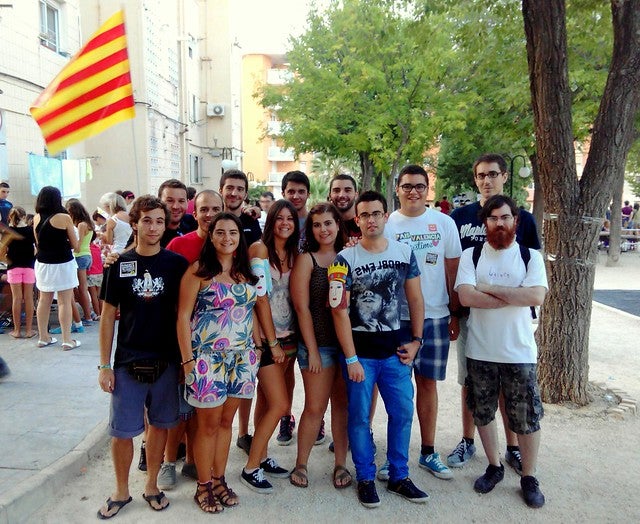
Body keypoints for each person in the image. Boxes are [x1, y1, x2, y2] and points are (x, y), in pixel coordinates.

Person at [330, 190, 428, 508]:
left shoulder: (404, 253)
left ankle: (399, 475)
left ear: (386, 216)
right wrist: (350, 358)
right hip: (361, 355)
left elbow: (415, 298)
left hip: (396, 353)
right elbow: (339, 311)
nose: (371, 220)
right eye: (364, 215)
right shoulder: (344, 259)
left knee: (402, 414)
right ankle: (365, 477)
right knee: (359, 417)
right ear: (357, 220)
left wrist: (417, 341)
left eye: (376, 213)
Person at [97, 195, 189, 519]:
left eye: (159, 221)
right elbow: (107, 316)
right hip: (127, 361)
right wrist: (104, 365)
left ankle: (151, 485)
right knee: (121, 431)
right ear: (134, 224)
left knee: (161, 426)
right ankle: (121, 491)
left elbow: (183, 313)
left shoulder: (176, 265)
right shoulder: (118, 264)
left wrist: (185, 361)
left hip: (167, 360)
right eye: (147, 220)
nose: (153, 227)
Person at [448, 153, 541, 473]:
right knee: (471, 382)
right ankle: (468, 440)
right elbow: (456, 271)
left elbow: (533, 280)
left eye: (492, 174)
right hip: (471, 316)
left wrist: (493, 292)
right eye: (481, 175)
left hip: (513, 323)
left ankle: (513, 447)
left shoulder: (524, 219)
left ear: (504, 176)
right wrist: (456, 310)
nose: (486, 180)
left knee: (510, 388)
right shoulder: (459, 217)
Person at [177, 212, 275, 512]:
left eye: (233, 232)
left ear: (239, 237)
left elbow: (253, 309)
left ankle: (219, 480)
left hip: (241, 359)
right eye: (220, 232)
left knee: (225, 423)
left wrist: (259, 347)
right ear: (211, 236)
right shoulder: (198, 271)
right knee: (207, 426)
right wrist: (187, 361)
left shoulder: (247, 272)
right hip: (207, 360)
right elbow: (182, 317)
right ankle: (203, 485)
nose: (227, 238)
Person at [454, 194, 547, 508]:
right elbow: (466, 297)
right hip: (480, 350)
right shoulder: (471, 256)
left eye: (505, 217)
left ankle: (529, 476)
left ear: (515, 221)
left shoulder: (530, 257)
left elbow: (535, 296)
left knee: (526, 417)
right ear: (485, 222)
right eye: (493, 218)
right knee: (482, 411)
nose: (499, 223)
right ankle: (494, 465)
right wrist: (512, 295)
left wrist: (488, 288)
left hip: (519, 352)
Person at [385, 164, 462, 481]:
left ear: (428, 189)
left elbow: (453, 271)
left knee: (428, 385)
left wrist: (455, 313)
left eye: (419, 186)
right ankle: (394, 456)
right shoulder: (387, 224)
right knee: (397, 390)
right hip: (397, 319)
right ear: (398, 189)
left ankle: (428, 451)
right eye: (407, 186)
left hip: (436, 316)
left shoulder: (444, 223)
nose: (413, 191)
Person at [157, 189, 223, 490]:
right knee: (181, 407)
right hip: (180, 337)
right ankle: (168, 461)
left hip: (213, 342)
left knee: (202, 408)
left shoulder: (228, 244)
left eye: (215, 209)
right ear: (193, 213)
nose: (209, 215)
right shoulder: (179, 245)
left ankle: (193, 461)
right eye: (204, 209)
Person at [290, 203, 350, 489]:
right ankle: (301, 463)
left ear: (338, 224)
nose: (323, 229)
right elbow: (301, 308)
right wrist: (312, 350)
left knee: (342, 406)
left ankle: (341, 463)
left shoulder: (349, 256)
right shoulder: (307, 259)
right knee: (315, 407)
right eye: (316, 225)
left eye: (328, 223)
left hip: (347, 346)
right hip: (318, 345)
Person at [239, 200, 297, 493]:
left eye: (290, 218)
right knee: (280, 404)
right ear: (270, 220)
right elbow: (259, 298)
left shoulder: (294, 253)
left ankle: (261, 456)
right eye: (279, 218)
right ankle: (250, 468)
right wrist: (271, 342)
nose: (285, 223)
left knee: (266, 401)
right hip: (265, 340)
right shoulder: (259, 250)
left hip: (289, 338)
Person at [33, 186, 80, 350]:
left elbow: (38, 243)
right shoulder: (64, 217)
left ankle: (43, 337)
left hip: (43, 263)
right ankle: (67, 340)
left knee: (43, 300)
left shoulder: (36, 218)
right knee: (64, 301)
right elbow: (76, 246)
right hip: (63, 263)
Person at [4, 207, 36, 338]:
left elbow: (3, 250)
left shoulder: (7, 231)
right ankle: (29, 330)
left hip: (13, 267)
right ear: (24, 217)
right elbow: (37, 248)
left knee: (16, 298)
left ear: (10, 217)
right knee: (28, 297)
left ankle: (17, 330)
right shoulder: (30, 230)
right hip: (29, 266)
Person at [66, 200, 95, 323]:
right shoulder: (88, 223)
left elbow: (78, 246)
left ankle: (88, 316)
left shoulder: (81, 225)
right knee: (80, 288)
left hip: (80, 256)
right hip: (86, 255)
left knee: (82, 288)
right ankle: (88, 312)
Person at [157, 179, 197, 247]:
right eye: (170, 201)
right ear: (159, 202)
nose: (176, 207)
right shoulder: (152, 232)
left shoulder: (192, 223)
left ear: (187, 203)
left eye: (181, 201)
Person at [328, 174, 360, 239]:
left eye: (347, 190)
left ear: (356, 195)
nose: (341, 195)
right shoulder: (326, 225)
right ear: (330, 195)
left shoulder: (365, 223)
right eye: (336, 191)